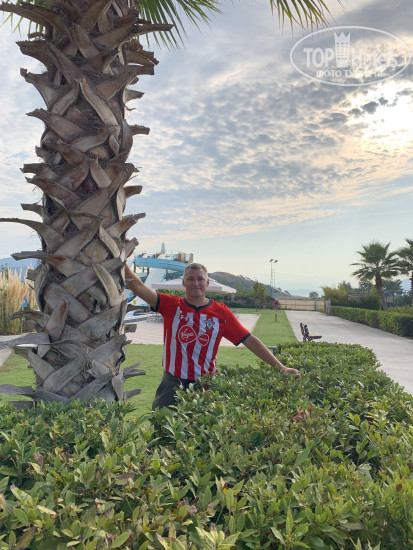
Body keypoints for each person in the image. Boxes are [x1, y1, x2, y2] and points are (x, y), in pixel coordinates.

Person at [124, 261, 300, 410]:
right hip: (172, 385)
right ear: (183, 283)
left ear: (207, 282)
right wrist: (121, 259)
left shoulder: (221, 312)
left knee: (202, 434)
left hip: (205, 386)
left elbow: (250, 340)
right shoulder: (171, 305)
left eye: (200, 279)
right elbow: (137, 286)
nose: (196, 283)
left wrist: (281, 367)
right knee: (162, 432)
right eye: (190, 279)